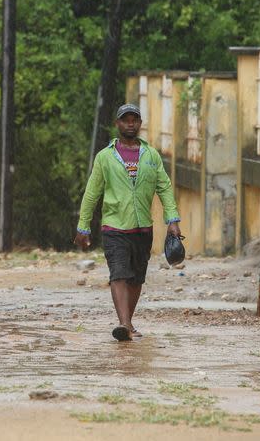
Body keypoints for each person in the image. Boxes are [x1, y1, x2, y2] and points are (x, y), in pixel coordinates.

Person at [74, 103, 181, 342]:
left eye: (135, 119)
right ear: (118, 124)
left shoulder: (151, 156)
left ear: (140, 124)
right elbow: (92, 193)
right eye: (126, 119)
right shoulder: (105, 157)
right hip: (114, 227)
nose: (130, 123)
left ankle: (128, 323)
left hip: (143, 226)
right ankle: (124, 323)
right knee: (119, 274)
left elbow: (164, 187)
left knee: (136, 278)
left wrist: (172, 220)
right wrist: (83, 226)